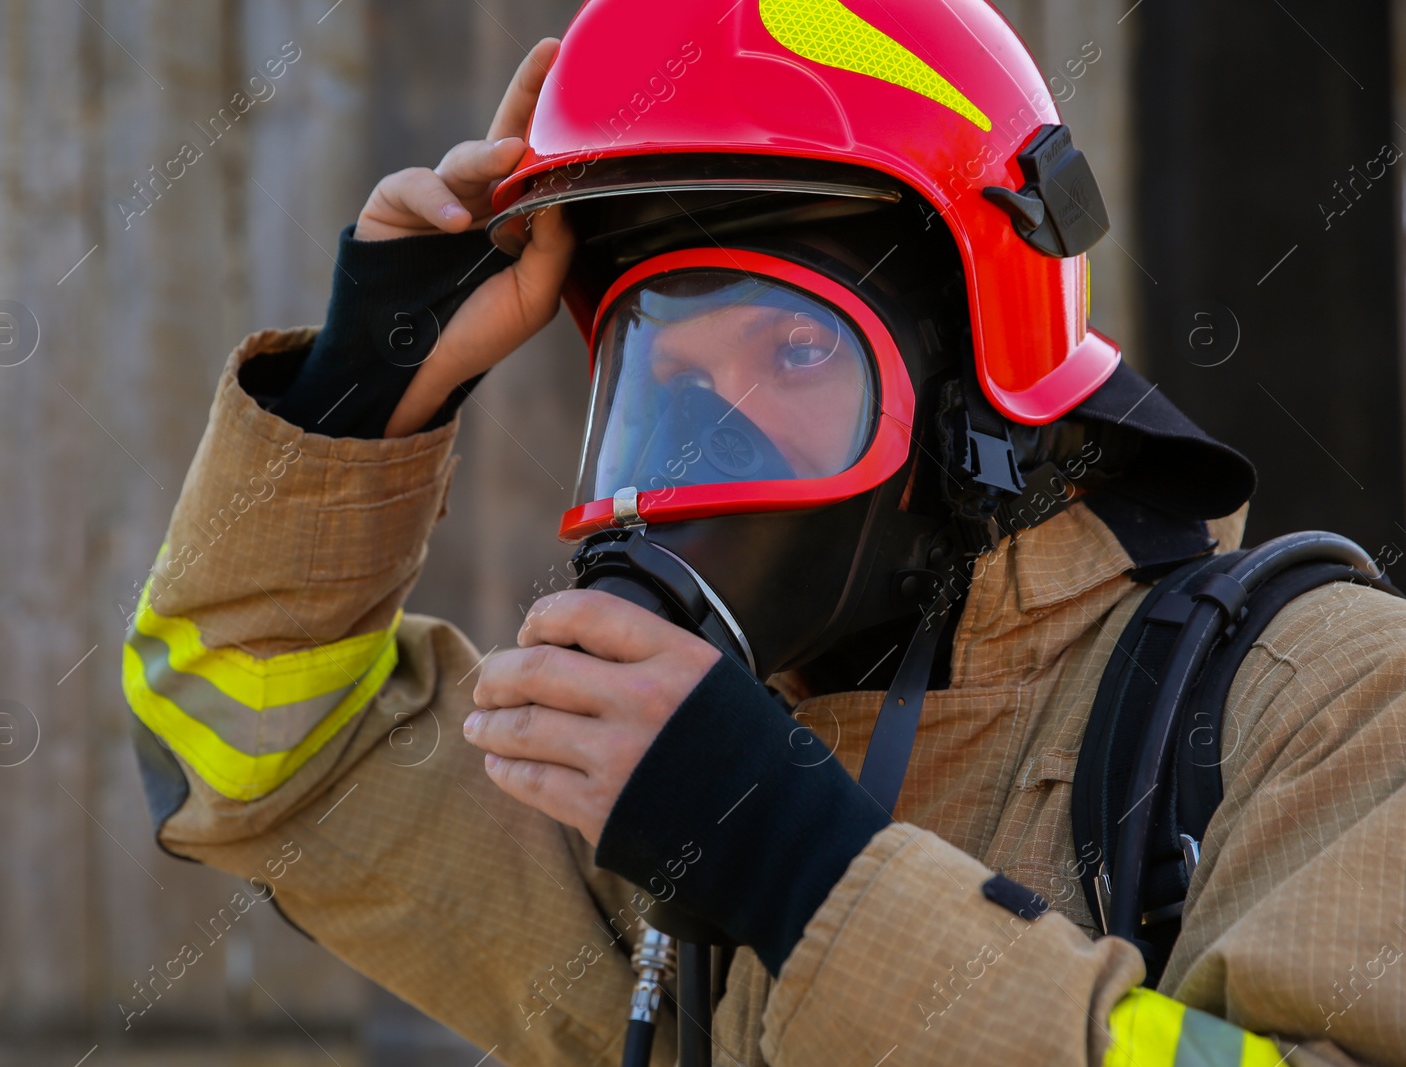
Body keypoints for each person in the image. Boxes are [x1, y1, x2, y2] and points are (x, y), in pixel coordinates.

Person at [122, 2, 1406, 1064]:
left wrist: (797, 869)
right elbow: (243, 746)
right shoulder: (654, 798)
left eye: (794, 348)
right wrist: (361, 390)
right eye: (666, 375)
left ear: (971, 377)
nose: (707, 442)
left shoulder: (1326, 703)